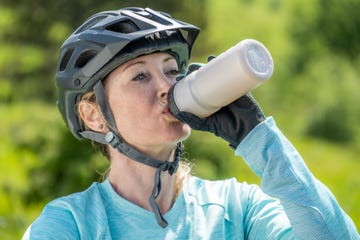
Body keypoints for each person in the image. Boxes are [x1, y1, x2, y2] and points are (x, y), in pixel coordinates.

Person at [23, 7, 359, 239]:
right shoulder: (71, 225)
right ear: (93, 116)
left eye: (172, 70)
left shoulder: (235, 210)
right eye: (140, 76)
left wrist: (258, 137)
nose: (167, 87)